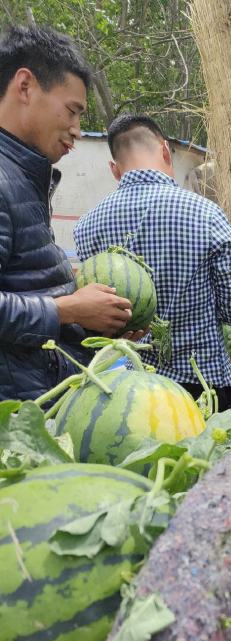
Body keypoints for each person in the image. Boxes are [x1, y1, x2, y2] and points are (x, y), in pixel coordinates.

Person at [74, 114, 231, 410]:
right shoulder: (207, 215)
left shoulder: (87, 226)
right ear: (166, 150)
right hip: (204, 388)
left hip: (135, 391)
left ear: (115, 170)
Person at [0, 26, 136, 402]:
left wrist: (98, 322)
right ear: (25, 86)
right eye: (72, 110)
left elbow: (24, 283)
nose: (77, 130)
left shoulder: (24, 173)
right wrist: (69, 309)